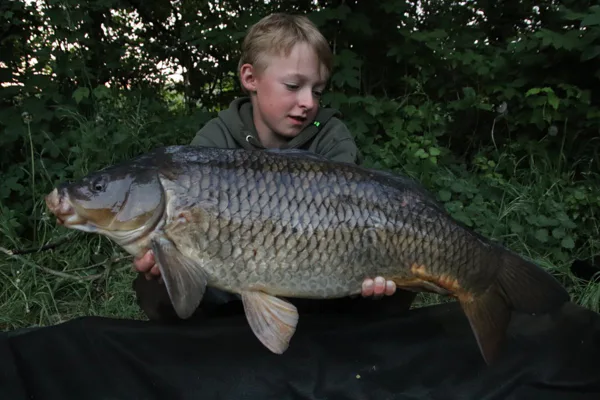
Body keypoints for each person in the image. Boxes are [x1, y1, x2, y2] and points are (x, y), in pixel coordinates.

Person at [132, 13, 416, 322]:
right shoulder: (216, 138)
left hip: (318, 272)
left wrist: (371, 266)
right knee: (154, 285)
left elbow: (349, 220)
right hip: (232, 271)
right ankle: (225, 336)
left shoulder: (330, 136)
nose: (308, 102)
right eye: (293, 86)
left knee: (393, 285)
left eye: (317, 91)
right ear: (250, 78)